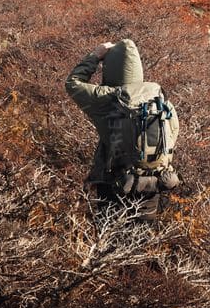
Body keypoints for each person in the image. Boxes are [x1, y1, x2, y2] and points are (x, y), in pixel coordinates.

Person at [65, 37, 180, 217]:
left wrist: (95, 55)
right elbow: (172, 136)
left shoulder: (108, 98)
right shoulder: (160, 99)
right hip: (155, 181)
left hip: (114, 182)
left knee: (110, 233)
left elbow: (73, 83)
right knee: (142, 236)